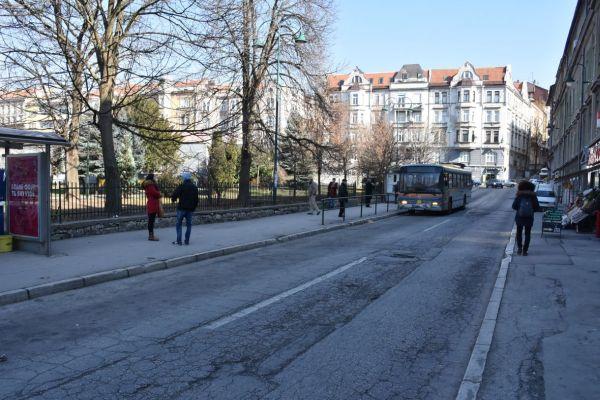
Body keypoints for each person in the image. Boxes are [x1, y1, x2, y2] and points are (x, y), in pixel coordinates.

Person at [512, 180, 540, 256]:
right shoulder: (533, 196)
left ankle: (519, 249)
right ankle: (525, 251)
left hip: (519, 217)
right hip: (529, 217)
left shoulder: (519, 195)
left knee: (519, 233)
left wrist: (519, 209)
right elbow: (537, 208)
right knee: (527, 234)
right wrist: (531, 210)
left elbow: (514, 206)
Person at [171, 172, 199, 245]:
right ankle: (187, 241)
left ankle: (179, 241)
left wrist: (173, 200)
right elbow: (196, 199)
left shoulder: (182, 186)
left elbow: (175, 194)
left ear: (184, 178)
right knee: (189, 225)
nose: (182, 178)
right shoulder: (194, 187)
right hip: (190, 209)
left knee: (179, 224)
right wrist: (193, 207)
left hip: (181, 208)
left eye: (182, 177)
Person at [142, 174, 161, 241]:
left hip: (151, 203)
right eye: (154, 177)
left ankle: (151, 235)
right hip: (153, 203)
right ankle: (151, 236)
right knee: (151, 220)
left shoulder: (149, 185)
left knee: (151, 220)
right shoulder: (150, 185)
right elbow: (154, 193)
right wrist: (159, 194)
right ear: (152, 178)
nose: (155, 178)